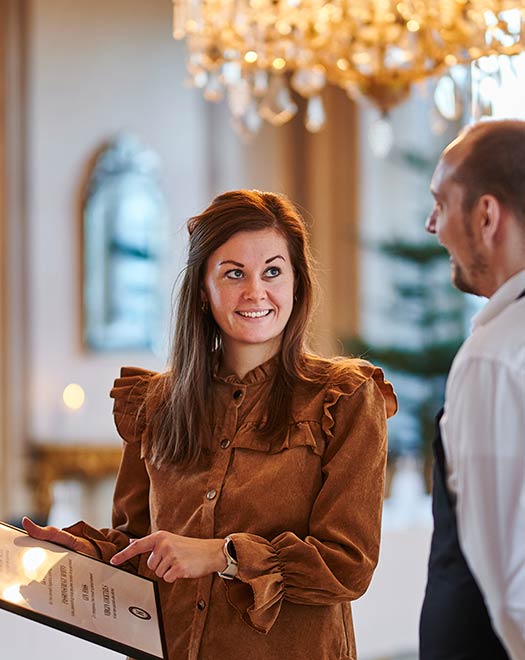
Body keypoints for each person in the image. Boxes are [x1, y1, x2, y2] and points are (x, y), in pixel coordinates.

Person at [23, 189, 397, 660]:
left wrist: (222, 554)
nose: (255, 291)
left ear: (297, 284)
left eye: (273, 271)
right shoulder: (155, 403)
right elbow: (138, 547)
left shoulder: (344, 398)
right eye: (234, 273)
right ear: (203, 289)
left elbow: (348, 566)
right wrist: (84, 552)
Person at [419, 120, 525, 660]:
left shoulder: (495, 358)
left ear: (486, 216)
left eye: (441, 202)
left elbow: (511, 587)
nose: (432, 224)